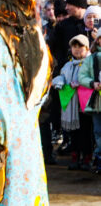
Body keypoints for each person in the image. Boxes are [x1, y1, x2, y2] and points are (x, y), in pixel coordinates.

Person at [52, 34, 93, 170]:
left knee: (86, 133)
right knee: (73, 133)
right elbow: (61, 77)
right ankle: (75, 158)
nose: (77, 50)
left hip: (85, 105)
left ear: (87, 48)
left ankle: (87, 159)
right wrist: (60, 81)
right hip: (71, 104)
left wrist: (81, 83)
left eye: (80, 46)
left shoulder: (91, 62)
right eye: (74, 47)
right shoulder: (68, 65)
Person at [78, 32, 101, 174]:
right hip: (96, 102)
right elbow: (82, 76)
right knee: (98, 131)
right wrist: (92, 83)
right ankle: (99, 159)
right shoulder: (91, 59)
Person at [50, 0, 87, 73]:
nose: (66, 8)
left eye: (69, 5)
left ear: (78, 6)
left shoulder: (95, 22)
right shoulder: (62, 26)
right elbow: (56, 48)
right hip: (68, 70)